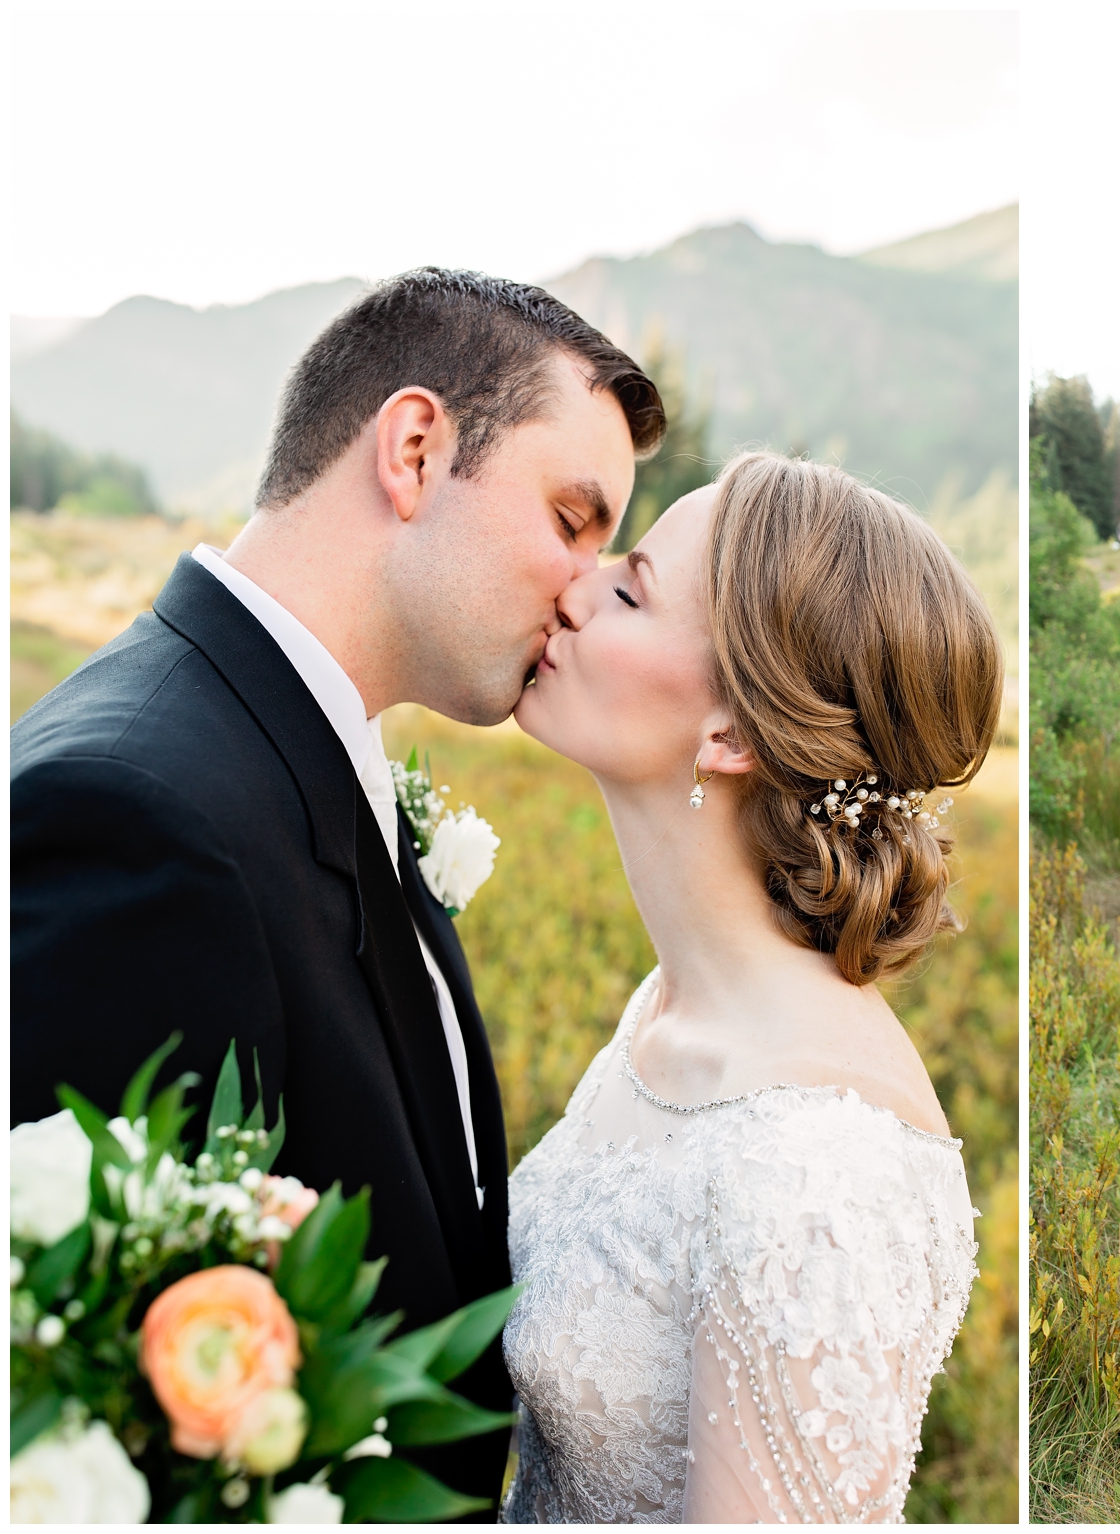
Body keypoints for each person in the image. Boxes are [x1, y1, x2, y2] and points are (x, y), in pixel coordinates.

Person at [10, 268, 665, 1505]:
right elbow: (95, 1433)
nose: (586, 583)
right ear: (414, 449)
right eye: (572, 518)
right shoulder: (133, 819)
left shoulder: (299, 752)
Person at [499, 453, 1002, 1522]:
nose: (572, 590)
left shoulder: (816, 1167)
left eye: (629, 591)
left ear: (730, 731)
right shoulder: (670, 1006)